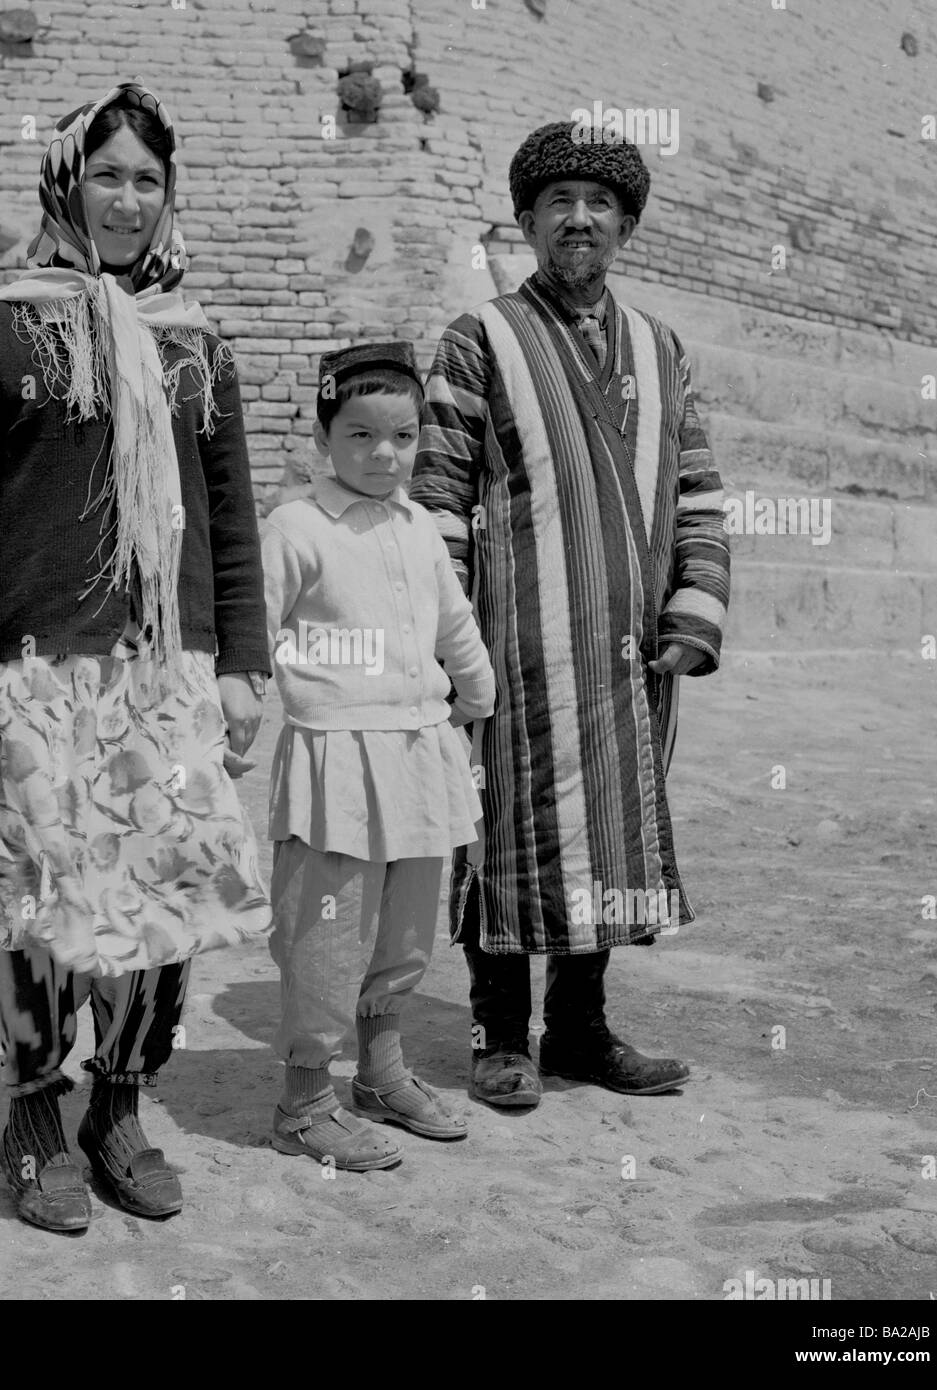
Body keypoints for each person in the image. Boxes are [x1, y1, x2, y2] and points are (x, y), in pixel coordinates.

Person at [0, 80, 272, 1232]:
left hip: (163, 677)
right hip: (32, 675)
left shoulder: (195, 347)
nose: (126, 199)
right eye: (107, 174)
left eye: (147, 179)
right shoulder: (0, 335)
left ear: (170, 196)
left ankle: (118, 1105)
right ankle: (33, 1108)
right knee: (31, 896)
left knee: (162, 899)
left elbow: (230, 520)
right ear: (66, 181)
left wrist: (240, 662)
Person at [409, 121, 730, 1108]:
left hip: (633, 655)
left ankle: (580, 1031)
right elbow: (434, 500)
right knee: (500, 832)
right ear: (526, 223)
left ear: (623, 225)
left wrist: (693, 606)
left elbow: (700, 491)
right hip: (515, 649)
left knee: (614, 838)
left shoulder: (660, 349)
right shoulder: (480, 338)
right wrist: (446, 646)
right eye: (559, 204)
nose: (578, 220)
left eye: (597, 205)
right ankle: (499, 1034)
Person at [261, 342, 496, 1169]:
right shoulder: (296, 526)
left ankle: (382, 1073)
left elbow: (452, 622)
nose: (382, 454)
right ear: (323, 436)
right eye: (359, 435)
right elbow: (254, 635)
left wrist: (477, 692)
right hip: (335, 762)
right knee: (327, 934)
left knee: (404, 931)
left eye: (400, 436)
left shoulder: (423, 526)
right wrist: (230, 727)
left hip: (419, 753)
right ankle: (303, 1101)